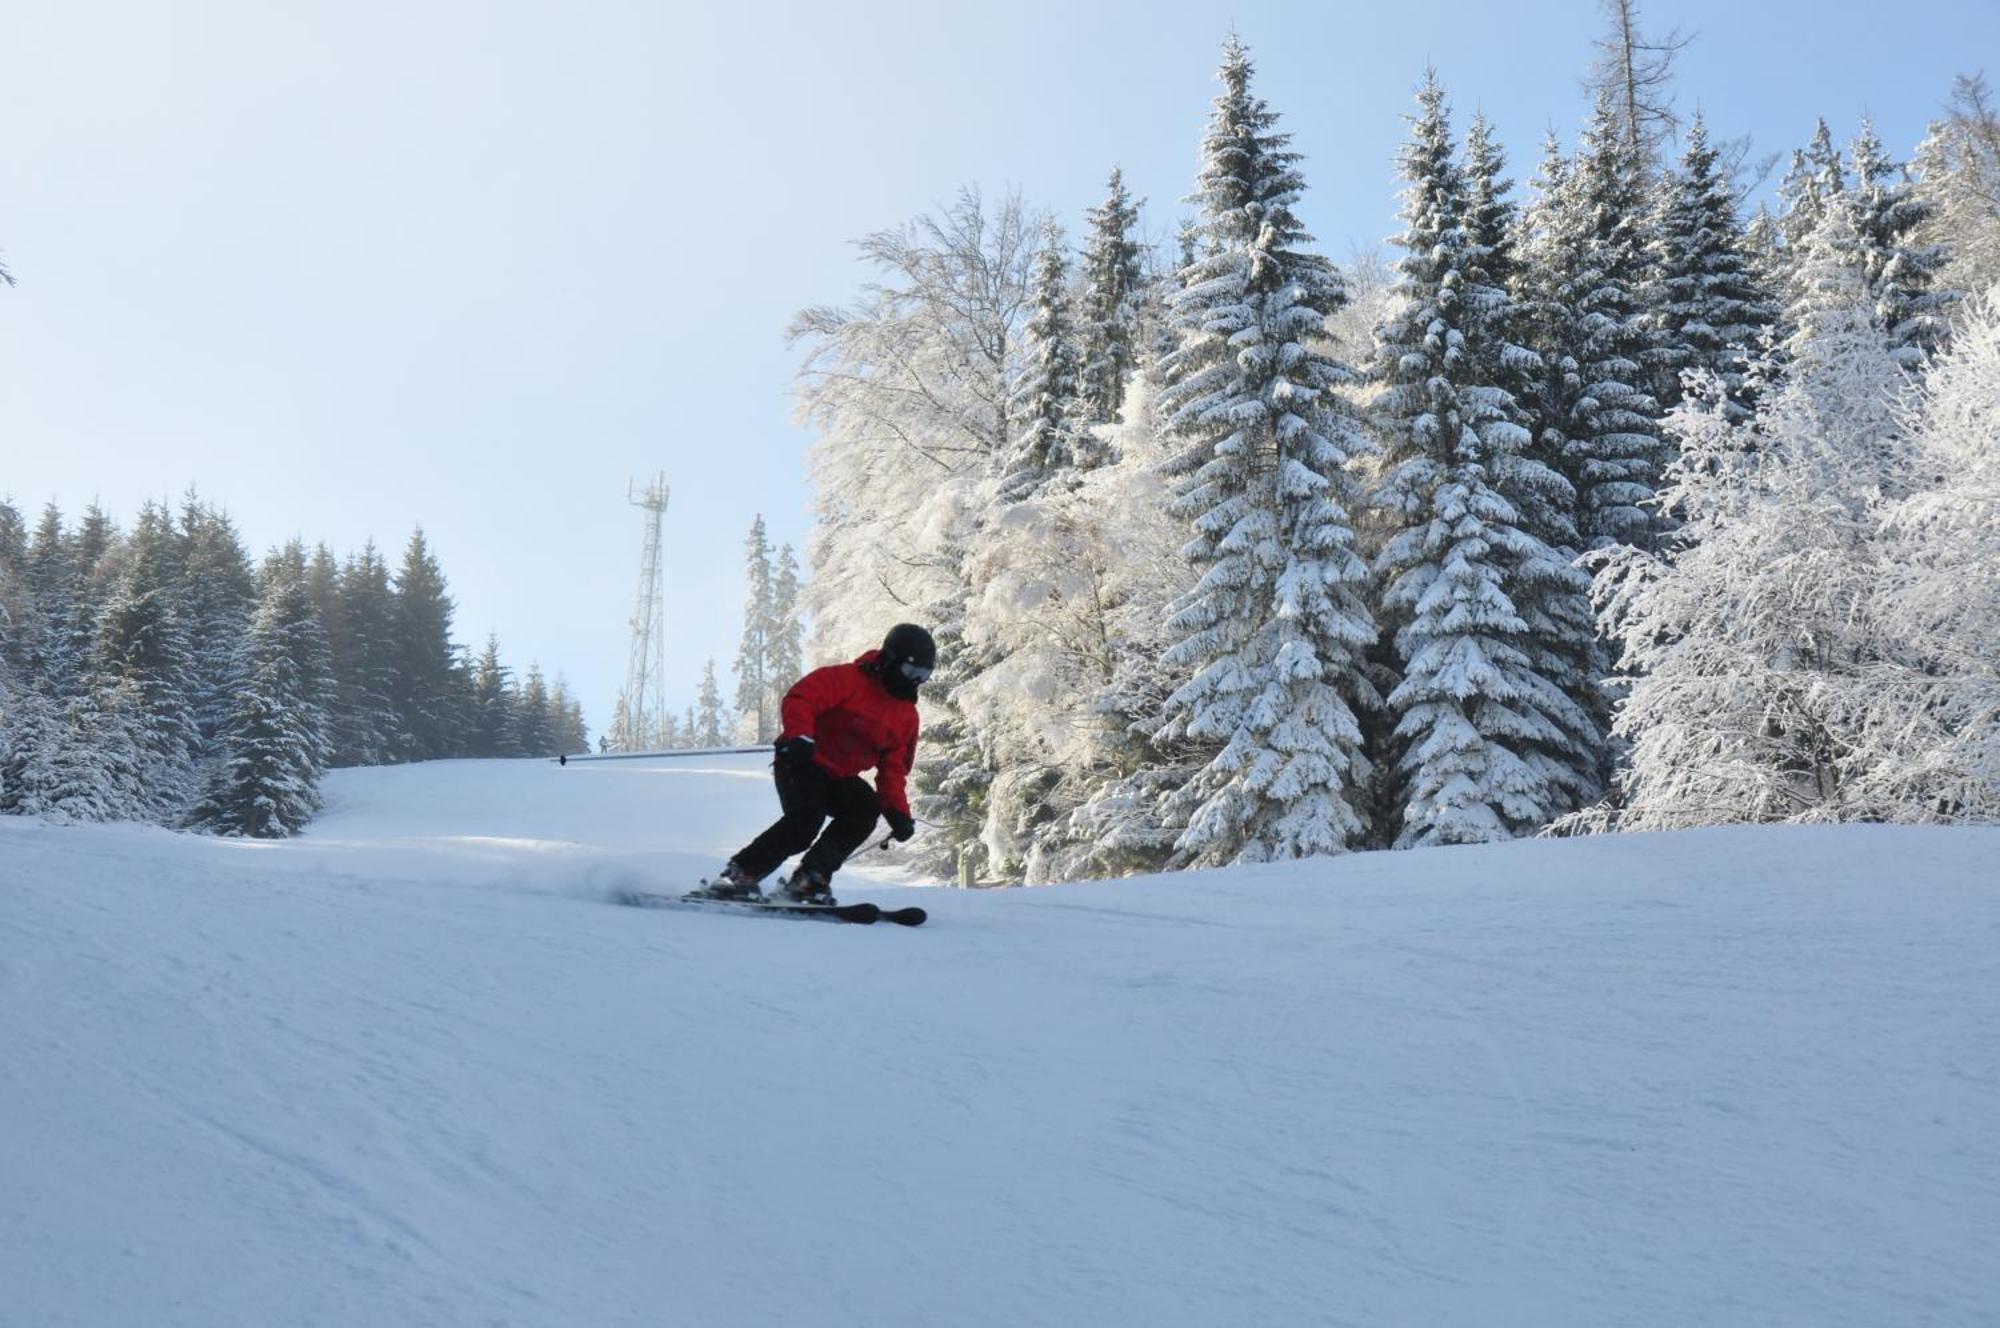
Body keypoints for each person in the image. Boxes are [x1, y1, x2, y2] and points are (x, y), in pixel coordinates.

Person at [701, 623, 934, 905]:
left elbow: (893, 771)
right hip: (803, 760)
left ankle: (810, 880)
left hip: (839, 777)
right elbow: (802, 698)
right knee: (805, 822)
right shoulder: (848, 680)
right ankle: (738, 877)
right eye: (911, 672)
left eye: (924, 675)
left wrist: (897, 812)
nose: (914, 682)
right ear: (890, 659)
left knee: (864, 809)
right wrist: (800, 735)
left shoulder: (906, 717)